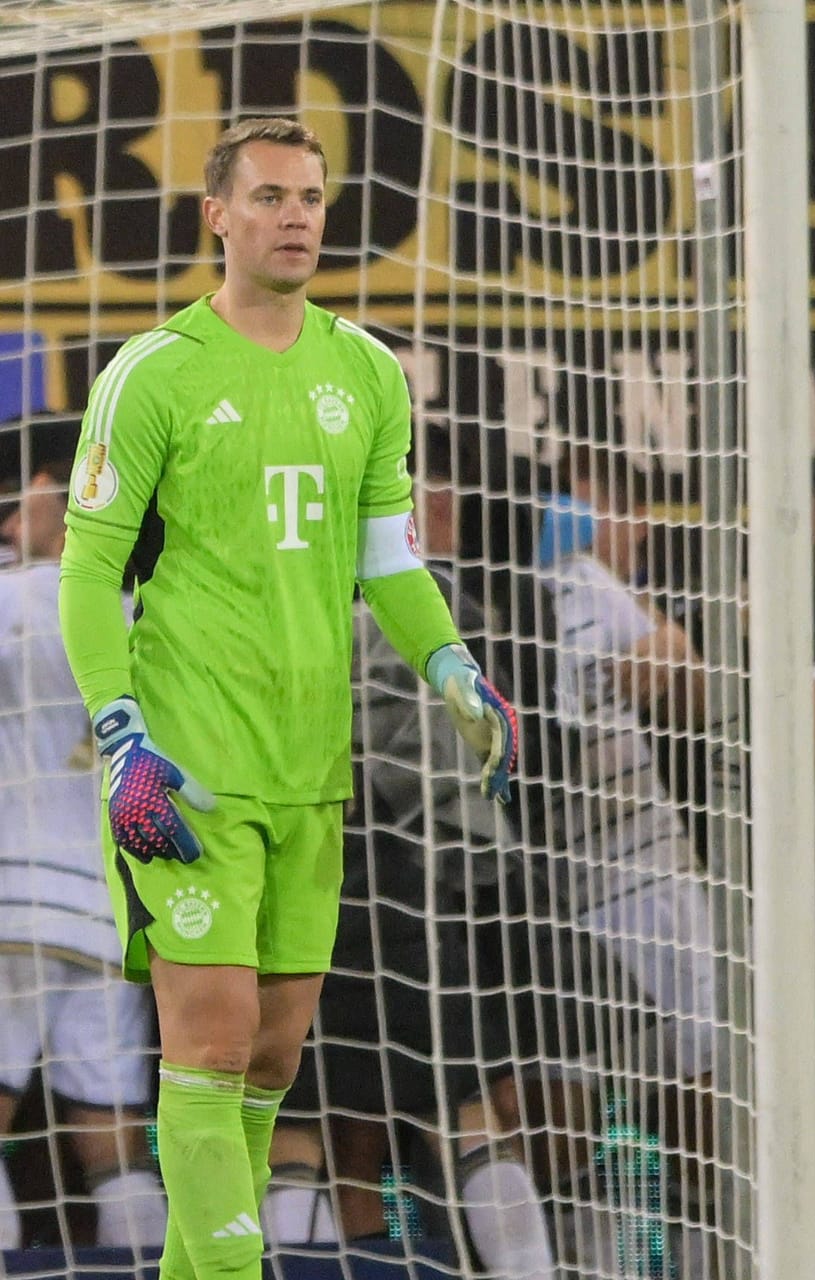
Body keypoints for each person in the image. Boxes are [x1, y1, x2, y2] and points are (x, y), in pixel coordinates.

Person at [55, 117, 516, 1280]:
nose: (297, 215)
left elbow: (389, 559)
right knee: (205, 1044)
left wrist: (451, 663)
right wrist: (121, 737)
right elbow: (87, 573)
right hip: (185, 762)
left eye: (311, 195)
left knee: (268, 1060)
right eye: (268, 196)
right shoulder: (154, 371)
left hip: (312, 767)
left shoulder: (364, 371)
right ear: (218, 214)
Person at [268, 432, 553, 1279]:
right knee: (463, 1115)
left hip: (300, 877)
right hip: (416, 882)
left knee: (297, 1131)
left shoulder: (258, 605)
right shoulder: (436, 603)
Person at [544, 439, 730, 1278]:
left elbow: (694, 689)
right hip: (552, 891)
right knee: (567, 1101)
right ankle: (592, 1266)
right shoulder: (471, 599)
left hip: (647, 866)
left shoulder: (589, 583)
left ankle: (699, 1259)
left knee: (692, 1091)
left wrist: (669, 649)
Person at [0, 420, 168, 1252]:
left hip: (13, 897)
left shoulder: (13, 600)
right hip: (111, 906)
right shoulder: (146, 619)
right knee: (114, 1132)